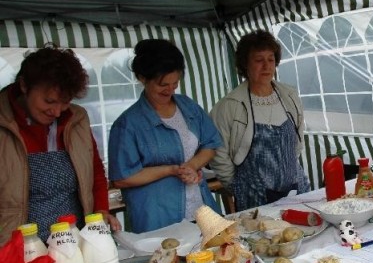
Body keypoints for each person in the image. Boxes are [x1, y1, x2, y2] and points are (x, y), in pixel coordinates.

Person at [0, 44, 120, 245]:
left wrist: (101, 210)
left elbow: (95, 172)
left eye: (64, 102)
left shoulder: (76, 119)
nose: (56, 112)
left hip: (75, 240)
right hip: (18, 248)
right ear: (24, 85)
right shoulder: (5, 123)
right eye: (49, 101)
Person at [108, 39, 223, 233]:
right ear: (142, 78)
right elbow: (122, 177)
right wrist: (170, 170)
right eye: (163, 84)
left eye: (175, 83)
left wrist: (193, 165)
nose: (170, 90)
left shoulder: (188, 107)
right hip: (156, 217)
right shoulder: (128, 124)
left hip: (201, 209)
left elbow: (211, 143)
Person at [209, 30, 310, 212]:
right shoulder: (229, 106)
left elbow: (297, 142)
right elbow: (218, 153)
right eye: (258, 60)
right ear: (245, 64)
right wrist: (238, 187)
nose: (266, 66)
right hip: (253, 198)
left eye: (271, 59)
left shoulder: (289, 96)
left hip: (296, 190)